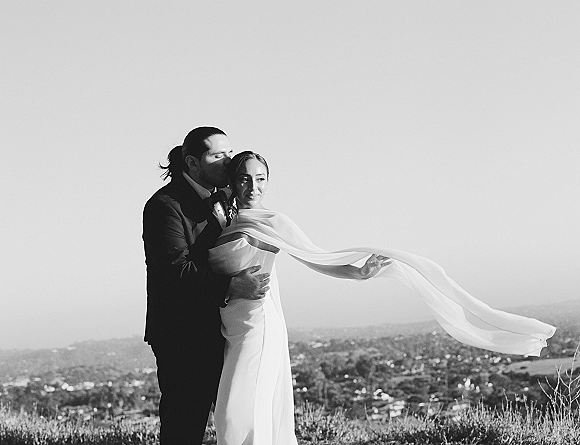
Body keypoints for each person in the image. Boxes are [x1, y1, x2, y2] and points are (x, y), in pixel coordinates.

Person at [208, 151, 556, 445]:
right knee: (239, 413)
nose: (253, 187)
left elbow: (317, 257)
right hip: (232, 321)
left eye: (261, 179)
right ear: (232, 181)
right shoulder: (226, 218)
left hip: (259, 323)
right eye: (244, 178)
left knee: (236, 413)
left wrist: (358, 273)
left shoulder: (274, 221)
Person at [142, 128, 270, 445]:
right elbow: (176, 271)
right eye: (218, 155)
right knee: (185, 425)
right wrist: (233, 285)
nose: (228, 161)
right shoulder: (166, 206)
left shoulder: (224, 199)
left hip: (225, 327)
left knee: (236, 418)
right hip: (183, 336)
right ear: (192, 162)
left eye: (230, 152)